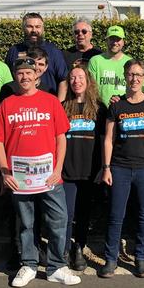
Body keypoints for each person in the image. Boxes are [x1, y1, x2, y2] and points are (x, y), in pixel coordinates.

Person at [0, 57, 81, 287]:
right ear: (15, 76)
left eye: (29, 73)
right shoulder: (7, 104)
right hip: (20, 178)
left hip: (50, 176)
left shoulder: (50, 102)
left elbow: (61, 138)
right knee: (26, 223)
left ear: (37, 75)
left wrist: (58, 169)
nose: (25, 77)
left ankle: (56, 266)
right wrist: (5, 172)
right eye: (20, 73)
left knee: (59, 219)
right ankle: (28, 265)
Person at [99, 59, 144, 278]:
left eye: (139, 75)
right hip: (119, 168)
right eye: (131, 74)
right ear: (125, 77)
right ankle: (110, 259)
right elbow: (108, 139)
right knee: (116, 215)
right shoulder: (117, 105)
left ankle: (141, 257)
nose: (134, 78)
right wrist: (106, 167)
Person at [61, 65, 107, 271]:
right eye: (72, 78)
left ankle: (79, 247)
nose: (76, 81)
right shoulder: (62, 107)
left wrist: (104, 167)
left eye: (80, 77)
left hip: (90, 170)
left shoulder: (99, 108)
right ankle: (63, 248)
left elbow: (106, 140)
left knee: (84, 213)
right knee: (66, 213)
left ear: (88, 81)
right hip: (66, 170)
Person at [5, 12, 68, 101]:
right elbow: (9, 79)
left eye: (38, 27)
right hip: (20, 104)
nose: (34, 30)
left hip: (47, 103)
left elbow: (63, 80)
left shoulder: (53, 51)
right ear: (23, 28)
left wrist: (59, 104)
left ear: (43, 29)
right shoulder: (14, 51)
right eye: (30, 26)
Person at [88, 25, 132, 106]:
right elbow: (90, 88)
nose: (115, 42)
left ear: (123, 42)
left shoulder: (130, 62)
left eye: (118, 39)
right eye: (112, 39)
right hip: (100, 109)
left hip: (124, 108)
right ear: (106, 40)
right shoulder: (95, 61)